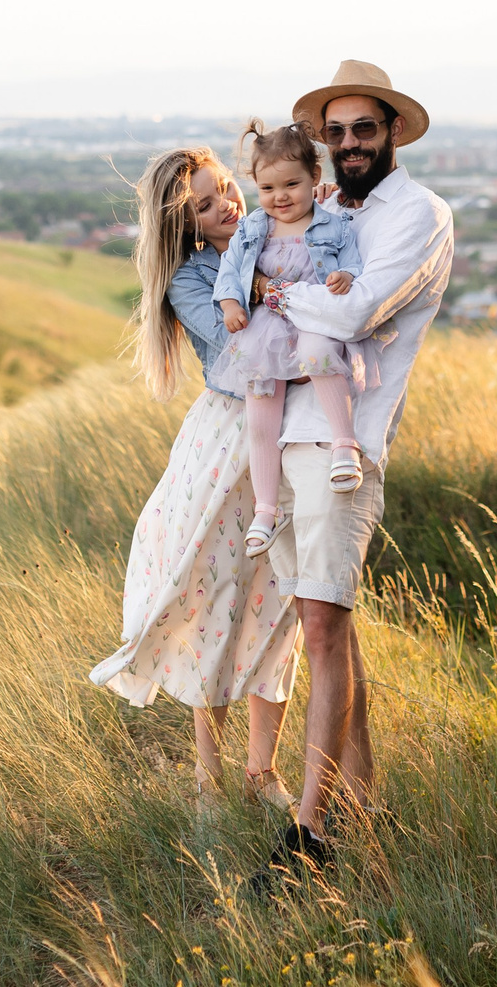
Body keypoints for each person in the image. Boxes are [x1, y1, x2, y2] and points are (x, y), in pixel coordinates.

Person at [252, 60, 453, 891]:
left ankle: (309, 831)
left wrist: (277, 295)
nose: (347, 143)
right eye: (333, 132)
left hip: (349, 446)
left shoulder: (420, 215)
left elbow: (353, 311)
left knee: (326, 630)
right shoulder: (326, 205)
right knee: (329, 624)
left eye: (362, 129)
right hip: (294, 436)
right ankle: (364, 803)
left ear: (393, 130)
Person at [88, 147, 301, 814]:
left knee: (282, 601)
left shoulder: (274, 238)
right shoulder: (191, 277)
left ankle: (261, 770)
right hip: (231, 436)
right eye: (205, 204)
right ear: (184, 222)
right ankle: (209, 774)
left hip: (293, 430)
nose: (227, 206)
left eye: (228, 190)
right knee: (216, 598)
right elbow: (246, 344)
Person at [212, 119, 367, 559]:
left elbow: (354, 262)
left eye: (291, 184)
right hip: (266, 328)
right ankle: (266, 509)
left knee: (319, 354)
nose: (280, 197)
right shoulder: (253, 229)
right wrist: (230, 306)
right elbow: (229, 273)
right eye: (267, 188)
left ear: (315, 178)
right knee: (261, 418)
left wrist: (344, 275)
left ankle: (344, 445)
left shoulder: (332, 225)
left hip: (313, 317)